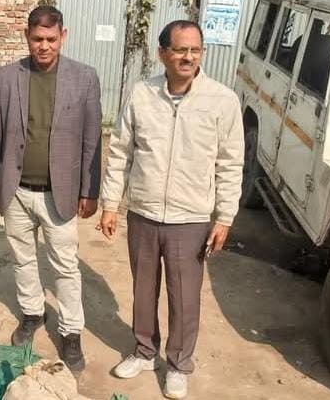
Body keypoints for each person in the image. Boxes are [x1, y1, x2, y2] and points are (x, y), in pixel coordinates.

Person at [98, 20, 244, 399]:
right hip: (144, 212)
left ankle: (178, 364)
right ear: (162, 53)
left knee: (184, 296)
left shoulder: (222, 100)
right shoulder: (142, 94)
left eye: (195, 50)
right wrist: (110, 204)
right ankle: (145, 351)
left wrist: (224, 217)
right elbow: (120, 151)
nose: (188, 57)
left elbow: (230, 164)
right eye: (180, 50)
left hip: (190, 218)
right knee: (143, 290)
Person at [0, 5, 102, 372]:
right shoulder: (7, 78)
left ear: (63, 36)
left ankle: (71, 331)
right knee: (23, 258)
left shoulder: (84, 78)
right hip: (15, 189)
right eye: (36, 39)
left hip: (59, 193)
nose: (43, 46)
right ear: (26, 36)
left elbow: (92, 141)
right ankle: (32, 313)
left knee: (65, 266)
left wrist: (90, 191)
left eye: (50, 39)